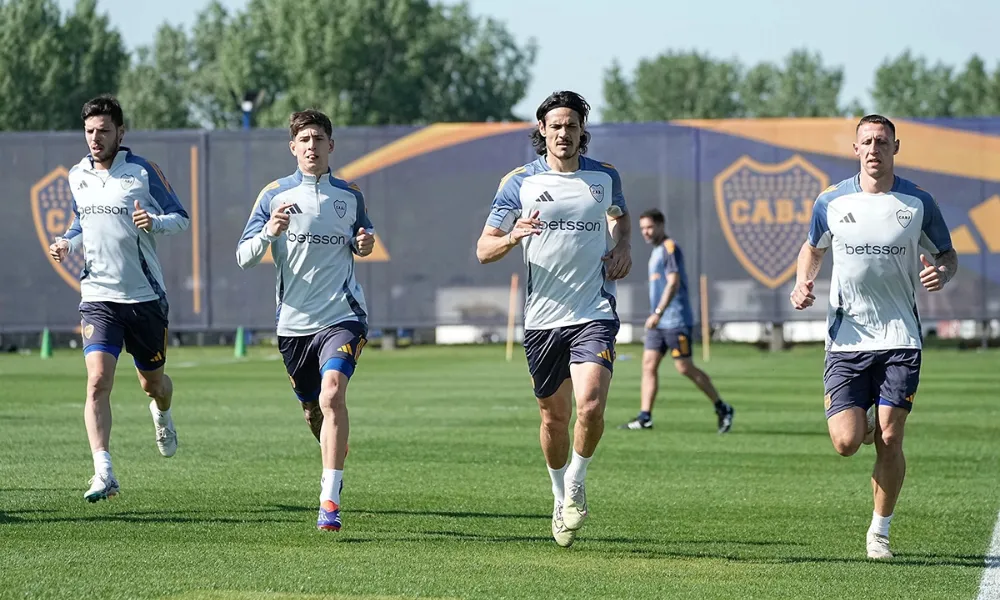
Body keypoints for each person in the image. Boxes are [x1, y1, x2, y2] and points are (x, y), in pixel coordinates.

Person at [790, 114, 957, 560]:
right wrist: (803, 281)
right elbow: (812, 246)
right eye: (866, 141)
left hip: (901, 337)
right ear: (855, 148)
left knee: (889, 436)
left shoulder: (918, 202)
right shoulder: (831, 200)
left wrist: (941, 271)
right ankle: (857, 418)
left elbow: (947, 253)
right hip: (847, 338)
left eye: (882, 142)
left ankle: (879, 532)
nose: (873, 149)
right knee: (846, 443)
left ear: (895, 147)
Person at [476, 91, 631, 548]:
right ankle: (559, 493)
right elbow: (484, 249)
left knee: (590, 405)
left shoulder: (603, 177)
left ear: (583, 130)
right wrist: (512, 237)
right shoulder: (519, 182)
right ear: (542, 130)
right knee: (553, 419)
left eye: (572, 125)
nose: (564, 133)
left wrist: (622, 246)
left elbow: (619, 217)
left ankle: (578, 481)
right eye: (555, 125)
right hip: (543, 320)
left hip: (593, 313)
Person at [237, 109, 375, 531]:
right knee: (314, 412)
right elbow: (243, 258)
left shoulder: (349, 196)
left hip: (343, 316)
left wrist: (365, 243)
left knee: (333, 395)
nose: (312, 146)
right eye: (305, 139)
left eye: (319, 138)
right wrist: (269, 232)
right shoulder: (273, 195)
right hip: (294, 325)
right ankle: (332, 444)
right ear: (293, 147)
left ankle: (329, 501)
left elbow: (362, 240)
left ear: (331, 145)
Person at [49, 95, 188, 502]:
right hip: (98, 296)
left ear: (120, 133)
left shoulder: (143, 171)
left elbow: (181, 217)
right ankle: (104, 472)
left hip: (144, 298)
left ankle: (162, 413)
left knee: (154, 384)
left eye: (103, 131)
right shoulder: (77, 175)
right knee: (97, 382)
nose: (95, 138)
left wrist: (155, 222)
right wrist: (66, 243)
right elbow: (80, 222)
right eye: (90, 131)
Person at [619, 209, 734, 433]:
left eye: (649, 227)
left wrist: (658, 312)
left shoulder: (670, 248)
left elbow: (673, 282)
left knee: (684, 367)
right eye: (642, 228)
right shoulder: (655, 252)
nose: (645, 232)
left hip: (675, 319)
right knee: (648, 365)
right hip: (658, 323)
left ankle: (722, 407)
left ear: (661, 226)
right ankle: (645, 417)